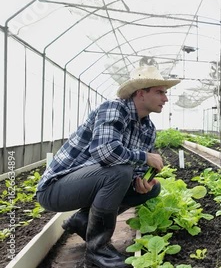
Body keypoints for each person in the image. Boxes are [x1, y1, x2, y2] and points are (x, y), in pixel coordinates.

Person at [36, 57, 180, 268]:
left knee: (152, 189)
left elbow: (133, 173)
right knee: (119, 170)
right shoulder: (113, 108)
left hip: (91, 185)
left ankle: (82, 221)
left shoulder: (148, 129)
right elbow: (106, 152)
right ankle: (97, 251)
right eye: (160, 92)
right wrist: (145, 157)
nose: (165, 98)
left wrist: (141, 184)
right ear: (141, 93)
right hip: (55, 189)